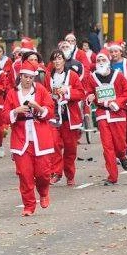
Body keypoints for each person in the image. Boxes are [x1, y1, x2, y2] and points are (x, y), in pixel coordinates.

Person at [4, 62, 57, 216]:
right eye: (25, 77)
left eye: (30, 77)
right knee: (25, 174)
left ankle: (43, 192)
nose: (28, 80)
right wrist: (16, 111)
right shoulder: (12, 93)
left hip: (40, 136)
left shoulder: (40, 90)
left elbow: (50, 111)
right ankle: (29, 206)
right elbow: (4, 116)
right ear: (20, 76)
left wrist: (38, 108)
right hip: (21, 139)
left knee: (43, 173)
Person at [88, 48, 127, 186]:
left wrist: (117, 102)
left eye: (103, 60)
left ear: (108, 61)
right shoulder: (92, 77)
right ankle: (112, 176)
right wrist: (89, 97)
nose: (101, 62)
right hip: (102, 114)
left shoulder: (118, 76)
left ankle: (122, 155)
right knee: (107, 146)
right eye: (98, 60)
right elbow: (89, 92)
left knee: (119, 145)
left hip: (117, 114)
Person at [45, 50, 87, 188]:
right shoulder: (48, 76)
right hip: (54, 115)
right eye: (54, 59)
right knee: (54, 144)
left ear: (64, 61)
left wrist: (67, 92)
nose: (57, 61)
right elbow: (44, 93)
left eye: (59, 59)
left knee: (70, 148)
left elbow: (81, 93)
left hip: (69, 116)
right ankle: (56, 172)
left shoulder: (72, 75)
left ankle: (70, 175)